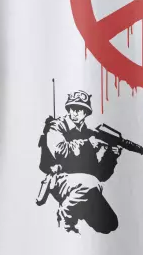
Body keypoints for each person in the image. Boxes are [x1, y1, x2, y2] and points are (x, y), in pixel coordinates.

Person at [39, 90, 122, 234]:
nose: (75, 112)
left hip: (85, 186)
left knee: (110, 224)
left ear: (86, 112)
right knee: (91, 183)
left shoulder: (89, 134)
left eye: (80, 109)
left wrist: (111, 156)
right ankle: (64, 214)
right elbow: (60, 151)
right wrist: (87, 144)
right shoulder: (56, 126)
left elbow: (100, 175)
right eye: (72, 108)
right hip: (59, 179)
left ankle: (75, 210)